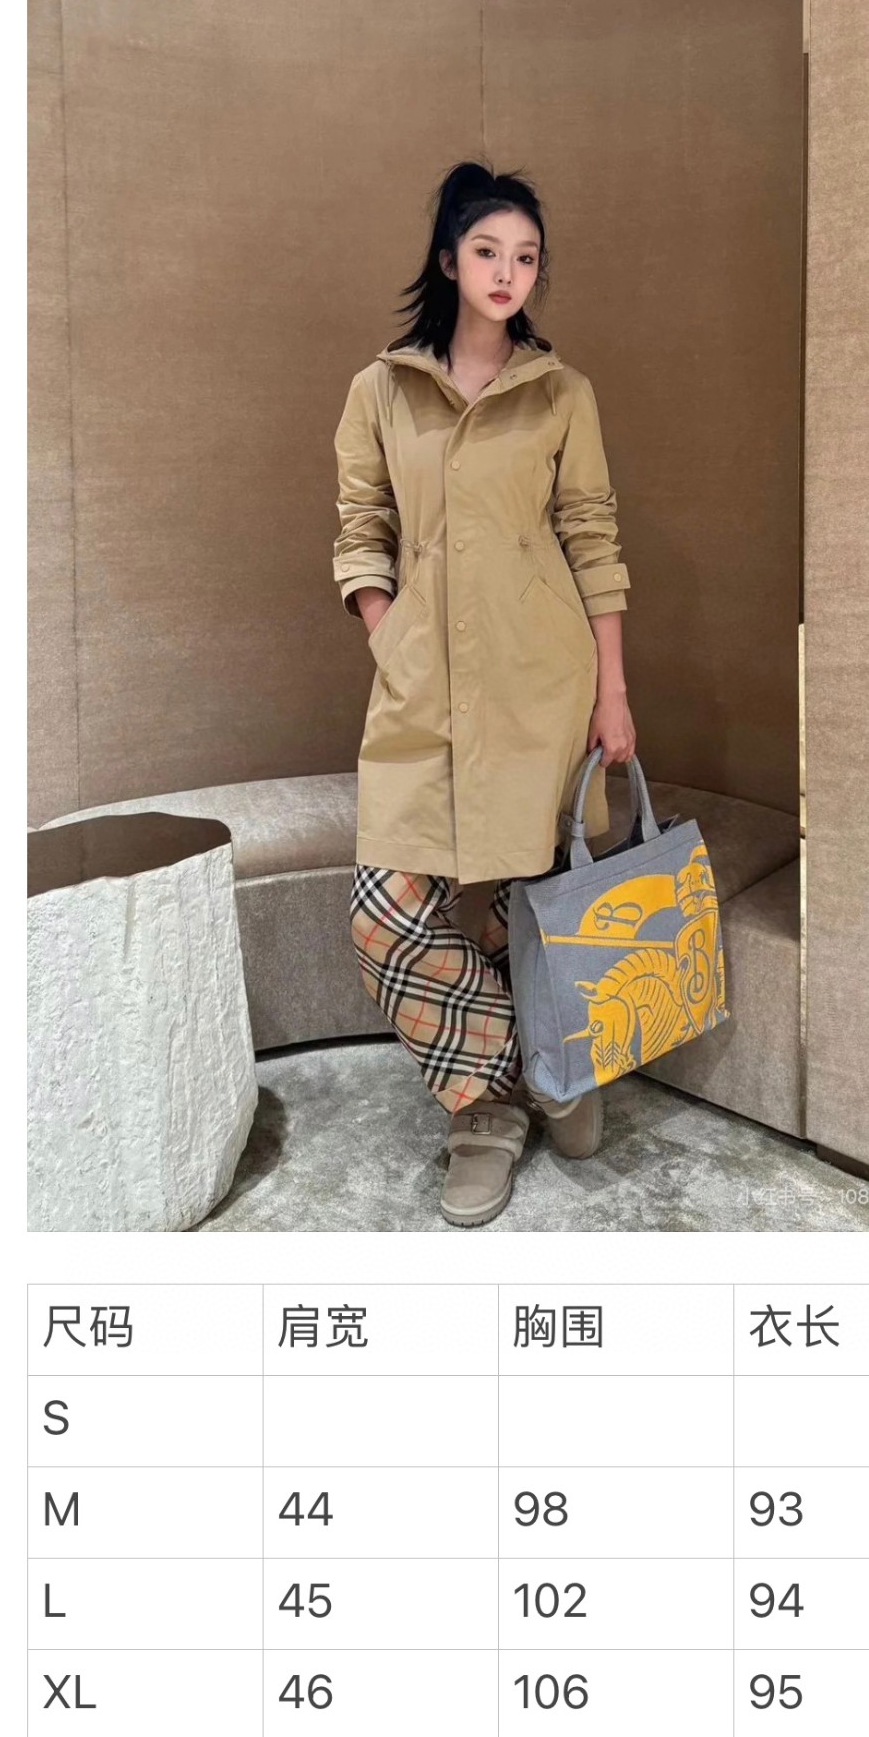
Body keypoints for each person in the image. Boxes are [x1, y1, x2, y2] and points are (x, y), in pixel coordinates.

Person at [333, 159, 636, 1227]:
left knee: (531, 899)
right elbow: (361, 527)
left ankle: (524, 1094)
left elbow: (591, 535)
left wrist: (612, 690)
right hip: (424, 687)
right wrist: (391, 635)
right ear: (450, 260)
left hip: (542, 683)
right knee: (385, 914)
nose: (509, 272)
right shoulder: (382, 391)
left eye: (527, 257)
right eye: (489, 251)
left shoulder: (561, 393)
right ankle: (506, 1085)